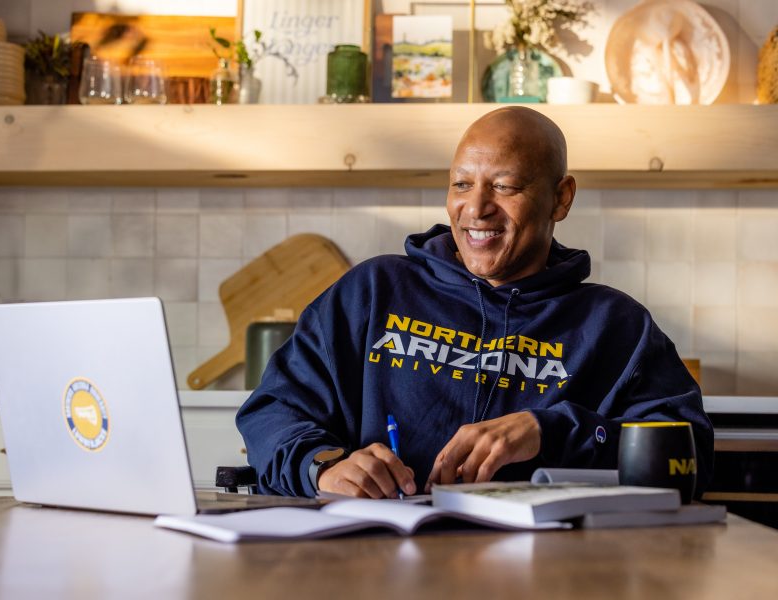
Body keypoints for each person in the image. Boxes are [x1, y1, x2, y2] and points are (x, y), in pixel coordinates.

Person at [236, 106, 713, 499]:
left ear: (561, 199)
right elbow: (273, 409)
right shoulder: (373, 290)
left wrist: (550, 431)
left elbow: (685, 449)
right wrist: (324, 467)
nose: (477, 207)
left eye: (504, 186)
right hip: (374, 563)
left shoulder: (616, 326)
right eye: (462, 184)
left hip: (553, 573)